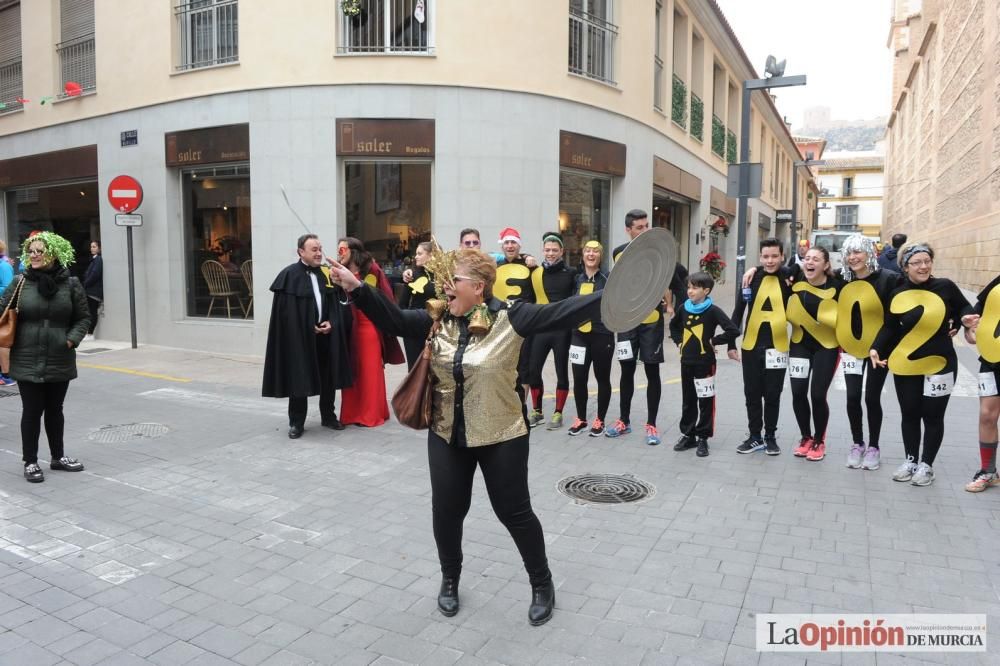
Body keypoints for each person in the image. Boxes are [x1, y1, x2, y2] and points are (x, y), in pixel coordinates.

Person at [325, 247, 605, 626]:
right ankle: (450, 579)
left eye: (452, 280)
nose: (445, 285)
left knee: (514, 512)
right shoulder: (437, 318)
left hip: (502, 435)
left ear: (478, 286)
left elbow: (567, 310)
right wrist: (356, 286)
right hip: (446, 434)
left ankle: (542, 584)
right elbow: (391, 319)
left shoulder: (513, 316)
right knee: (448, 511)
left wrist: (624, 290)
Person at [871, 243, 973, 486]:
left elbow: (964, 307)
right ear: (905, 267)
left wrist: (963, 320)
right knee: (910, 413)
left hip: (941, 363)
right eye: (917, 262)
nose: (923, 266)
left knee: (933, 416)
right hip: (907, 364)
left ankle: (927, 465)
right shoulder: (897, 293)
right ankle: (911, 460)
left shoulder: (945, 286)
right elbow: (889, 326)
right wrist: (875, 347)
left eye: (927, 261)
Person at [0, 232, 90, 482]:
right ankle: (29, 461)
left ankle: (57, 457)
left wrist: (71, 339)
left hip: (59, 355)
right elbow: (1, 309)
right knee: (31, 411)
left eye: (40, 250)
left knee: (55, 410)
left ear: (54, 253)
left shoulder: (70, 284)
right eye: (31, 251)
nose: (34, 255)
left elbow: (83, 317)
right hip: (26, 356)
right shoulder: (20, 281)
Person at [262, 234, 352, 438]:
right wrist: (306, 327)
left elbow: (339, 306)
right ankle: (296, 422)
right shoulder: (288, 276)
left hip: (326, 336)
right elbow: (284, 315)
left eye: (320, 248)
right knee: (299, 377)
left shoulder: (328, 274)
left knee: (328, 376)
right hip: (300, 338)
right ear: (300, 252)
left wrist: (333, 323)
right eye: (314, 249)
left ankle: (328, 416)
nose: (319, 253)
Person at [838, 234, 901, 471]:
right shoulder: (843, 279)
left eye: (858, 252)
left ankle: (874, 446)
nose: (853, 257)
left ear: (869, 253)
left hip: (880, 348)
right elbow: (807, 274)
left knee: (871, 398)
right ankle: (857, 443)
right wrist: (753, 269)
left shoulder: (889, 279)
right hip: (851, 347)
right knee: (852, 397)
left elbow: (895, 316)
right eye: (849, 253)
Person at [606, 210, 668, 446]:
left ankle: (651, 424)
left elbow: (674, 278)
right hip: (626, 322)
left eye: (646, 226)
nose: (644, 230)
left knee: (652, 372)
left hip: (651, 322)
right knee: (626, 371)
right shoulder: (618, 253)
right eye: (639, 227)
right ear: (628, 230)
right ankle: (624, 420)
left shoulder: (658, 250)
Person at [731, 238, 794, 455]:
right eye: (765, 257)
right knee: (752, 394)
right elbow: (738, 311)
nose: (770, 261)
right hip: (751, 345)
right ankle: (755, 436)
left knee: (773, 394)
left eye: (774, 256)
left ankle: (770, 437)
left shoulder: (790, 277)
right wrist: (731, 342)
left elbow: (807, 267)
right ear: (760, 257)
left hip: (777, 346)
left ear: (782, 256)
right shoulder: (751, 278)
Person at [668, 271, 740, 457]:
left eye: (694, 288)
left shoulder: (713, 310)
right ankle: (689, 434)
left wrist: (715, 341)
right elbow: (674, 326)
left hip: (705, 363)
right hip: (687, 362)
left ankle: (703, 438)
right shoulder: (684, 307)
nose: (690, 291)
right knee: (688, 400)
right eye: (689, 287)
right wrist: (679, 342)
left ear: (706, 290)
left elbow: (733, 330)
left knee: (705, 401)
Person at [337, 237, 405, 427]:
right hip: (350, 327)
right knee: (353, 372)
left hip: (368, 326)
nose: (339, 254)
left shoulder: (371, 269)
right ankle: (351, 414)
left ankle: (371, 414)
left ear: (352, 250)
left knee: (369, 371)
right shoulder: (338, 272)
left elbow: (385, 296)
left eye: (342, 250)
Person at [786, 247, 843, 462]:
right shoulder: (795, 278)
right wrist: (752, 269)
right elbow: (771, 269)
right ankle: (806, 437)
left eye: (816, 259)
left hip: (826, 347)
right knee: (798, 393)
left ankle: (819, 440)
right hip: (800, 345)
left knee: (818, 395)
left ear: (826, 265)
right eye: (807, 258)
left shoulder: (838, 285)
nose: (810, 262)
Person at [526, 232, 577, 429]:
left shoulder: (570, 273)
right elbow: (503, 256)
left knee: (561, 371)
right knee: (533, 370)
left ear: (562, 251)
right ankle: (537, 411)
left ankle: (558, 412)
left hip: (561, 329)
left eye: (554, 250)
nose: (550, 253)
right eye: (547, 250)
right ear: (542, 250)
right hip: (541, 327)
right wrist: (525, 257)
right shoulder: (536, 272)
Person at [567, 241, 613, 436]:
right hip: (578, 336)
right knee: (579, 378)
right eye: (588, 251)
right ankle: (581, 418)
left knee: (602, 378)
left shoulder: (608, 278)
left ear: (600, 256)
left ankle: (600, 419)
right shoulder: (576, 278)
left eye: (595, 251)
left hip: (602, 335)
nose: (591, 254)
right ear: (583, 255)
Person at [962, 275, 1000, 492]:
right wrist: (969, 329)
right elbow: (975, 314)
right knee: (987, 415)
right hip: (993, 359)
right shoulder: (998, 283)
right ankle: (988, 471)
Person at [398, 241, 436, 370]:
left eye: (420, 253)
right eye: (416, 254)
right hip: (413, 328)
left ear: (431, 255)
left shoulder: (443, 276)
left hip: (436, 329)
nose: (416, 257)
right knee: (414, 369)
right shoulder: (411, 275)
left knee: (435, 370)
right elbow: (402, 304)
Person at [0, 239, 15, 386]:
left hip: (2, 308)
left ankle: (6, 375)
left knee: (2, 341)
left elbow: (8, 288)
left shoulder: (4, 266)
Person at [82, 240, 103, 336]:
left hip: (93, 292)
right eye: (91, 247)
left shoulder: (98, 259)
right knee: (90, 312)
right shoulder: (94, 259)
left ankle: (90, 333)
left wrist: (85, 284)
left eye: (94, 247)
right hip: (91, 291)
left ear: (99, 248)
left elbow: (95, 274)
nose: (92, 249)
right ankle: (89, 333)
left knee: (92, 312)